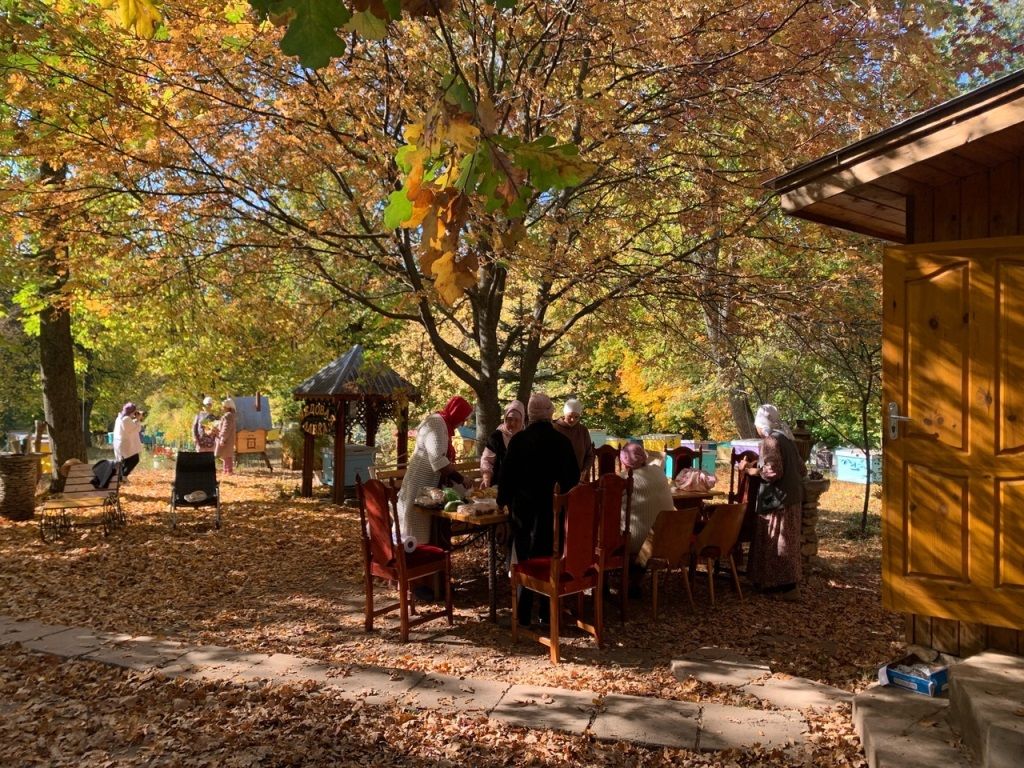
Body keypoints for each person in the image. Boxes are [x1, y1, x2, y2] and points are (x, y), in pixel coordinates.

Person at [498, 393, 580, 626]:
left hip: (523, 513)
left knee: (524, 560)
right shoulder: (562, 442)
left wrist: (502, 502)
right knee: (549, 559)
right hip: (552, 513)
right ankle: (546, 610)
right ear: (550, 413)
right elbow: (573, 479)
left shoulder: (519, 441)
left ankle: (523, 614)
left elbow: (507, 477)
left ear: (530, 415)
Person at [742, 404, 806, 600]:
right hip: (793, 497)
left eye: (758, 426)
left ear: (762, 425)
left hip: (778, 499)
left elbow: (772, 472)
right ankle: (783, 585)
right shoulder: (787, 439)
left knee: (778, 541)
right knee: (786, 541)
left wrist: (749, 470)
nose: (757, 430)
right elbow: (801, 469)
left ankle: (783, 588)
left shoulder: (770, 441)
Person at [396, 395, 474, 546]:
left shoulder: (443, 424)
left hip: (429, 490)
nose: (463, 422)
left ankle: (434, 567)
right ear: (456, 412)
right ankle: (419, 567)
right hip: (418, 488)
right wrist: (462, 479)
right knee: (415, 537)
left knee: (433, 534)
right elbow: (438, 462)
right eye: (463, 418)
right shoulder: (437, 423)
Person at [619, 442, 675, 558]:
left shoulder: (623, 479)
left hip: (635, 542)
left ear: (623, 462)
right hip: (665, 537)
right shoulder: (659, 472)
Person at [479, 400, 525, 489]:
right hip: (498, 485)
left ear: (522, 420)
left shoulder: (526, 437)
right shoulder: (496, 437)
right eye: (510, 419)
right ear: (505, 419)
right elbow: (487, 460)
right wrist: (486, 477)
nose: (512, 423)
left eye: (516, 420)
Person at [553, 398, 595, 481]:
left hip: (578, 479)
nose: (573, 420)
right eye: (570, 416)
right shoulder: (554, 428)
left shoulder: (583, 430)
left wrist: (585, 470)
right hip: (557, 479)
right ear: (564, 414)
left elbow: (589, 455)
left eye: (576, 417)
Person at [112, 402, 144, 478]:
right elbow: (136, 429)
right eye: (134, 411)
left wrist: (136, 420)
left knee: (125, 461)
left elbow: (129, 427)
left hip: (120, 443)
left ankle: (120, 477)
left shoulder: (120, 418)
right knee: (135, 459)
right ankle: (123, 476)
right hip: (125, 444)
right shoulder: (126, 419)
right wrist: (138, 420)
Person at [215, 398, 237, 475]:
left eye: (223, 406)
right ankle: (225, 470)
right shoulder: (230, 415)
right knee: (225, 455)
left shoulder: (228, 416)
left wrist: (223, 439)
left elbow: (226, 428)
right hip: (227, 438)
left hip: (227, 438)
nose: (222, 408)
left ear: (228, 407)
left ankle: (228, 471)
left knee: (227, 455)